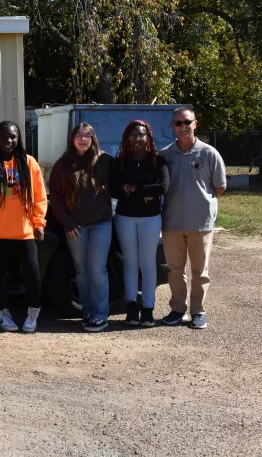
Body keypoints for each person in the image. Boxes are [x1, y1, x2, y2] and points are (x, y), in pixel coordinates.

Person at [0, 121, 48, 333]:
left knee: (32, 275)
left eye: (13, 136)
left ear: (19, 139)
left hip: (25, 232)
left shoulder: (29, 163)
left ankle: (33, 312)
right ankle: (2, 313)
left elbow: (40, 196)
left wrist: (39, 222)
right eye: (4, 136)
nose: (8, 140)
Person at [160, 107, 226, 329]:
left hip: (200, 222)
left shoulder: (209, 153)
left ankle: (198, 311)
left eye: (187, 122)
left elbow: (219, 187)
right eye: (178, 123)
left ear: (195, 124)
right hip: (172, 222)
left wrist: (200, 203)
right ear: (173, 126)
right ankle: (177, 309)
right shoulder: (164, 155)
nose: (183, 126)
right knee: (174, 270)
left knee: (200, 271)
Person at [48, 122, 113, 332]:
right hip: (75, 227)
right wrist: (67, 222)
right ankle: (88, 312)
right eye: (79, 135)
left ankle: (101, 315)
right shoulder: (62, 165)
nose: (83, 139)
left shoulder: (104, 161)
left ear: (93, 139)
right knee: (82, 270)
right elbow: (55, 197)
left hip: (101, 224)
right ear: (72, 139)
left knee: (97, 269)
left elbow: (119, 183)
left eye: (87, 135)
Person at [112, 120, 169, 328]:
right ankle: (131, 309)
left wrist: (134, 189)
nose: (137, 139)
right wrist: (144, 192)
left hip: (150, 219)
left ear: (148, 137)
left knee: (147, 264)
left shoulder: (157, 161)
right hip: (125, 218)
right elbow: (114, 189)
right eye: (132, 135)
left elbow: (162, 187)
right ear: (127, 138)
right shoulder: (120, 162)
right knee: (130, 264)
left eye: (141, 135)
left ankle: (147, 310)